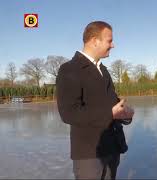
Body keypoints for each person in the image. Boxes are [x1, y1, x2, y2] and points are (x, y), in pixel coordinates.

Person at [56, 21, 134, 179]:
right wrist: (110, 113)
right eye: (109, 40)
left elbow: (111, 104)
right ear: (94, 41)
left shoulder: (103, 69)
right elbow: (69, 113)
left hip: (112, 148)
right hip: (89, 155)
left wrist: (125, 114)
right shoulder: (69, 69)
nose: (113, 45)